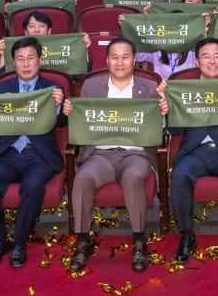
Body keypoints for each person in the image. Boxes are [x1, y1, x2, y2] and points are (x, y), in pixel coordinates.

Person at [63, 37, 168, 272]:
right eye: (115, 57)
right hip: (101, 153)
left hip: (136, 154)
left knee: (132, 178)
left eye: (125, 57)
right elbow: (81, 120)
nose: (120, 62)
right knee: (82, 178)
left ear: (134, 60)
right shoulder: (92, 87)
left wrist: (163, 112)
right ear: (107, 60)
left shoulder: (149, 88)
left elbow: (158, 127)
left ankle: (139, 241)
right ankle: (83, 241)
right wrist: (70, 111)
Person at [0, 37, 66, 268]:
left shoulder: (53, 88)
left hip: (38, 156)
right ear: (13, 63)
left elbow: (64, 124)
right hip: (7, 153)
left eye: (31, 58)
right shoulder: (1, 88)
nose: (26, 64)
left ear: (40, 60)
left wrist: (60, 106)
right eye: (20, 59)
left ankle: (18, 243)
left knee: (33, 187)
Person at [168, 37, 218, 265]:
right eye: (206, 56)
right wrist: (168, 107)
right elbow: (174, 130)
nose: (212, 61)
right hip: (194, 152)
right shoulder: (184, 88)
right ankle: (186, 235)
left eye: (217, 56)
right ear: (197, 61)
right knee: (179, 174)